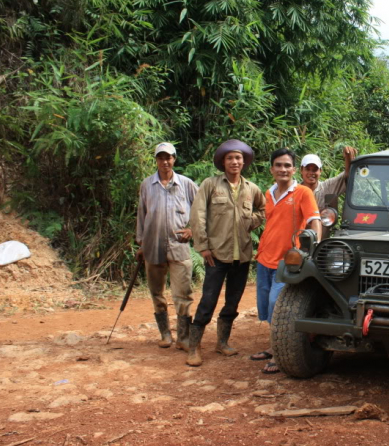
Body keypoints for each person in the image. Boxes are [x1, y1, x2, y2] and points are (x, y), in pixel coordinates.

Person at [186, 140, 266, 367]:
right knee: (208, 300)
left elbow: (263, 209)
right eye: (230, 158)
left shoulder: (251, 188)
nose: (235, 162)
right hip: (216, 255)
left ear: (244, 162)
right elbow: (198, 215)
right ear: (223, 162)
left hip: (241, 256)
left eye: (238, 158)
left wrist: (253, 221)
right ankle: (194, 347)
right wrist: (202, 246)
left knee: (233, 301)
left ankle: (222, 342)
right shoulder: (211, 185)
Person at [251, 148, 322, 374]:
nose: (282, 169)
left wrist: (314, 247)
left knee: (277, 304)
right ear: (271, 169)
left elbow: (314, 220)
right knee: (264, 305)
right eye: (278, 165)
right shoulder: (269, 193)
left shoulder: (302, 192)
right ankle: (274, 346)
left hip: (288, 262)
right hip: (264, 258)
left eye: (287, 165)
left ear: (294, 169)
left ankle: (281, 351)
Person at [135, 142, 198, 351]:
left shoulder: (186, 184)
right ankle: (164, 334)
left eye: (169, 157)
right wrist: (141, 243)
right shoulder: (147, 185)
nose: (165, 161)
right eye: (161, 157)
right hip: (152, 246)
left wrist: (192, 229)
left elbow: (201, 211)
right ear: (156, 160)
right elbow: (142, 216)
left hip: (179, 247)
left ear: (174, 159)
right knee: (156, 292)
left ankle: (183, 337)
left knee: (183, 292)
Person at [300, 146, 357, 211]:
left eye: (315, 169)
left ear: (320, 171)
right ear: (301, 170)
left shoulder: (328, 187)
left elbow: (348, 174)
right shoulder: (295, 191)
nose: (311, 173)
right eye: (307, 169)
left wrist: (348, 157)